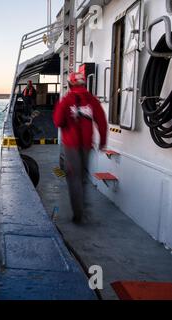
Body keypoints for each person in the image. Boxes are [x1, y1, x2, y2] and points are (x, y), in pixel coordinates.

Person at [53, 72, 108, 224]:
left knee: (73, 178)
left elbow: (57, 121)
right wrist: (102, 141)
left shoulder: (65, 100)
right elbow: (102, 121)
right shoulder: (92, 100)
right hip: (86, 145)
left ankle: (78, 215)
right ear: (84, 84)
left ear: (70, 85)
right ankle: (83, 207)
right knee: (82, 177)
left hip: (71, 146)